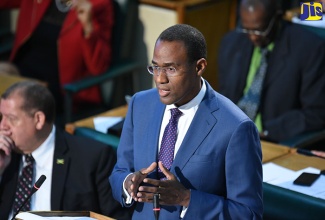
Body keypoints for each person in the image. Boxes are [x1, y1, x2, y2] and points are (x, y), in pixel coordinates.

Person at [109, 24, 263, 219]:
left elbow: (249, 214)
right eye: (155, 67)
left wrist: (186, 199)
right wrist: (128, 183)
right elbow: (119, 171)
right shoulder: (140, 104)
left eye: (170, 69)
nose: (159, 78)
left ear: (199, 67)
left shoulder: (236, 128)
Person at [0, 81, 132, 220]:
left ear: (38, 120)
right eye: (1, 117)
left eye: (11, 119)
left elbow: (116, 217)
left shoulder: (92, 158)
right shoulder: (5, 154)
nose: (2, 126)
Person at [218, 0, 325, 143]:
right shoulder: (231, 43)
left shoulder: (310, 49)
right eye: (247, 30)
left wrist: (267, 132)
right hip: (229, 136)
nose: (254, 36)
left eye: (260, 30)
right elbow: (223, 97)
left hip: (271, 140)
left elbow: (316, 113)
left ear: (277, 17)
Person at [0, 0, 114, 114]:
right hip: (21, 72)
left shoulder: (99, 4)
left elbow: (99, 67)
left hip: (58, 87)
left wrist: (88, 27)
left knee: (17, 103)